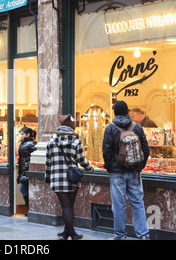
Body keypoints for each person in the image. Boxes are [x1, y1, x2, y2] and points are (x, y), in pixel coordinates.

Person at [102, 101, 151, 240]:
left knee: (118, 205)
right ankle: (143, 235)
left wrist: (110, 167)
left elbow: (106, 151)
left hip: (117, 173)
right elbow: (146, 149)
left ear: (115, 113)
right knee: (137, 203)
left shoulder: (110, 129)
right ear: (128, 112)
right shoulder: (137, 127)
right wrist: (140, 166)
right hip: (134, 172)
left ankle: (120, 235)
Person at [45, 114, 94, 240]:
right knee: (69, 206)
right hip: (72, 178)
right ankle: (72, 233)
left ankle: (66, 233)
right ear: (71, 127)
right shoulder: (76, 140)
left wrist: (47, 177)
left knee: (65, 206)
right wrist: (90, 168)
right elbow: (81, 160)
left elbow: (48, 162)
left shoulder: (51, 140)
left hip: (57, 178)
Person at [17, 126, 37, 215]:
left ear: (28, 134)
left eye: (22, 134)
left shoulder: (31, 144)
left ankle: (30, 209)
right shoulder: (23, 143)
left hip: (27, 170)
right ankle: (29, 209)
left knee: (24, 188)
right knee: (24, 189)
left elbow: (34, 155)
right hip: (23, 170)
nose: (21, 136)